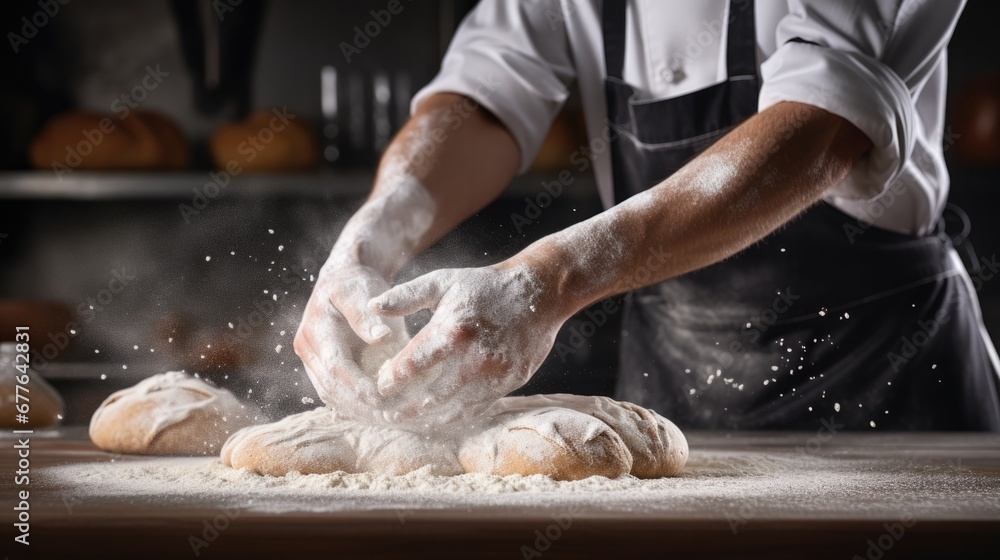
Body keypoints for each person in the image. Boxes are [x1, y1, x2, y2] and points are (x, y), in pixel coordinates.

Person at [295, 0, 1000, 431]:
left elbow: (822, 126)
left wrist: (547, 277)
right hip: (673, 377)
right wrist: (368, 240)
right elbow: (481, 95)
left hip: (884, 365)